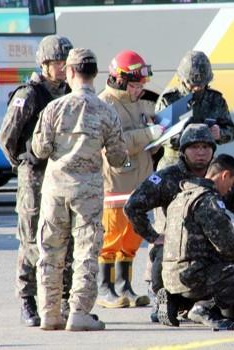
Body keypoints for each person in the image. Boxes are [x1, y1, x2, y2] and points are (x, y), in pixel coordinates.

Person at [124, 123, 234, 323]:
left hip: (210, 251)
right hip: (175, 250)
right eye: (194, 147)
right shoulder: (167, 177)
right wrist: (153, 236)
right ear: (183, 150)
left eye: (206, 147)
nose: (201, 153)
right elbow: (132, 206)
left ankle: (189, 304)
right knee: (162, 254)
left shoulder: (221, 175)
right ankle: (167, 299)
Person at [32, 48, 128, 331]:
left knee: (50, 251)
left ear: (71, 72)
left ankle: (49, 313)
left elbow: (40, 149)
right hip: (87, 192)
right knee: (85, 251)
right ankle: (79, 313)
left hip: (55, 189)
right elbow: (118, 157)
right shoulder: (106, 110)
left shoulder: (54, 108)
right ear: (95, 74)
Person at [0, 34, 73, 327]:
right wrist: (24, 163)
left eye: (67, 62)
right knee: (30, 239)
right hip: (35, 177)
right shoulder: (28, 94)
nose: (64, 67)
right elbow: (7, 138)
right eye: (58, 62)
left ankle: (60, 298)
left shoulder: (68, 92)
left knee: (62, 235)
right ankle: (27, 300)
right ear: (44, 64)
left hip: (61, 175)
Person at [157, 154, 234, 329]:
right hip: (193, 276)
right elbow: (228, 248)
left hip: (170, 275)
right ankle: (204, 308)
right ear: (224, 176)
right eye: (231, 183)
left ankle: (177, 300)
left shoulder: (183, 196)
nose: (230, 190)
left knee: (213, 263)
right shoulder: (209, 201)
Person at [97, 50, 163, 309]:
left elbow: (147, 142)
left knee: (132, 237)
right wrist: (148, 133)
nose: (139, 90)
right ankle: (105, 289)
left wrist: (158, 136)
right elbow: (115, 145)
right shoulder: (104, 104)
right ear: (121, 80)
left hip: (139, 183)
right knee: (111, 238)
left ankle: (125, 286)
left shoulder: (141, 103)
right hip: (115, 185)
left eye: (141, 85)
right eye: (135, 85)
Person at [155, 50, 234, 170]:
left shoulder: (215, 100)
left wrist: (220, 134)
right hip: (173, 166)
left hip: (205, 166)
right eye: (192, 84)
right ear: (183, 80)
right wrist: (190, 139)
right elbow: (159, 135)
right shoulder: (170, 100)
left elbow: (231, 130)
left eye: (202, 84)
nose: (197, 88)